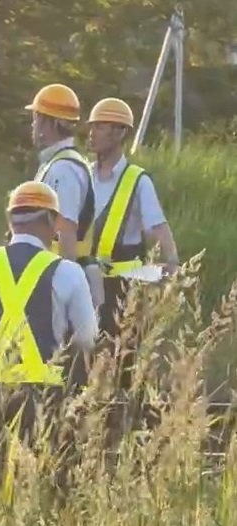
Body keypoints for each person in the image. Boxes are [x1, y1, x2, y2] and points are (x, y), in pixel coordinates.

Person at [0, 181, 99, 489]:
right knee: (48, 485)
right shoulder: (68, 271)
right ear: (50, 220)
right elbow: (87, 338)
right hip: (42, 397)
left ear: (11, 221)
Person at [84, 98, 181, 387]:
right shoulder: (83, 175)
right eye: (91, 126)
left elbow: (158, 227)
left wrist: (172, 264)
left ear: (119, 133)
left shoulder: (137, 181)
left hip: (123, 290)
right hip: (85, 282)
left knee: (123, 364)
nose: (91, 133)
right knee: (80, 363)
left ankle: (124, 410)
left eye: (99, 126)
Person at [25, 83, 94, 262]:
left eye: (37, 118)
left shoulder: (63, 169)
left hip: (54, 267)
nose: (33, 125)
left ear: (52, 123)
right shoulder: (56, 163)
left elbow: (66, 231)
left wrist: (66, 275)